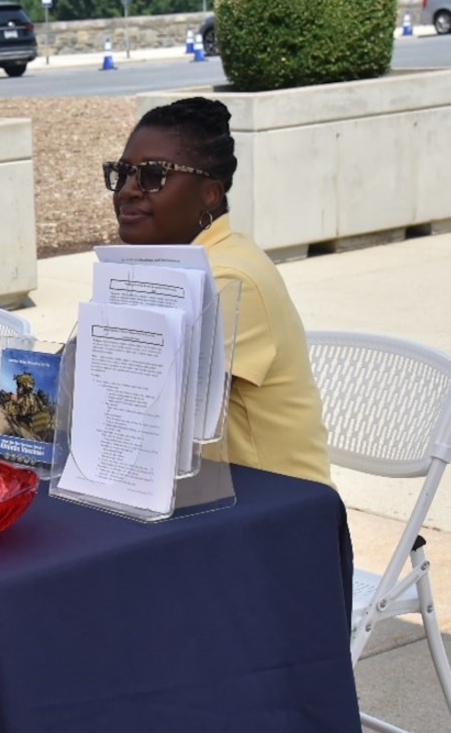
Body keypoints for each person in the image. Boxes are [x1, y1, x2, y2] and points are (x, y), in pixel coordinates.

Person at [106, 96, 332, 487]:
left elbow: (132, 403)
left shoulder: (229, 278)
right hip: (192, 488)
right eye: (123, 173)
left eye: (153, 175)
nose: (127, 190)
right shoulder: (162, 263)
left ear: (210, 194)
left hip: (275, 504)